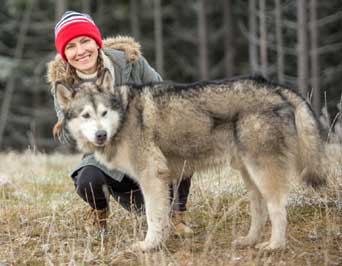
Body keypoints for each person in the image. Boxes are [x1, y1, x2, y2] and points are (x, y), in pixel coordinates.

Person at [47, 11, 193, 236]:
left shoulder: (129, 62)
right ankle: (100, 211)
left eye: (85, 41)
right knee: (88, 179)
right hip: (105, 152)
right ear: (64, 54)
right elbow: (67, 137)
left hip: (147, 142)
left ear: (96, 41)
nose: (80, 51)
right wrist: (73, 117)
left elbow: (166, 96)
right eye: (71, 46)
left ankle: (175, 215)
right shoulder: (64, 84)